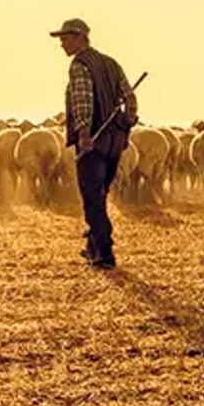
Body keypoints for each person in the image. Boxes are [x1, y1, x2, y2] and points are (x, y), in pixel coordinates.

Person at [49, 18, 137, 269]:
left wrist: (84, 133)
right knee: (101, 192)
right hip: (114, 141)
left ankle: (105, 252)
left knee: (92, 197)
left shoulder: (80, 65)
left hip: (94, 142)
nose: (62, 44)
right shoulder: (111, 63)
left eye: (65, 38)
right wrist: (127, 124)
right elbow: (130, 97)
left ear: (80, 37)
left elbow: (82, 101)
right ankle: (93, 245)